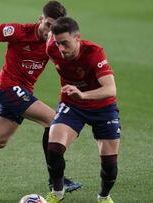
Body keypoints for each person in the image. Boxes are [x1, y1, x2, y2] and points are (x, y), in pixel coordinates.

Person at [0, 0, 81, 192]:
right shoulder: (19, 31)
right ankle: (56, 180)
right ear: (40, 19)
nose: (50, 31)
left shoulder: (55, 44)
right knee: (52, 121)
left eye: (54, 27)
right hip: (8, 88)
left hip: (22, 92)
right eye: (47, 24)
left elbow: (67, 66)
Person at [44, 17, 120, 203]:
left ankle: (103, 197)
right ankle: (58, 192)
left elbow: (110, 89)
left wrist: (83, 95)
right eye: (58, 43)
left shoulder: (94, 53)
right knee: (53, 149)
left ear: (78, 38)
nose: (61, 49)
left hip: (103, 108)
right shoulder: (51, 47)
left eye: (65, 43)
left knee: (109, 164)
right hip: (73, 105)